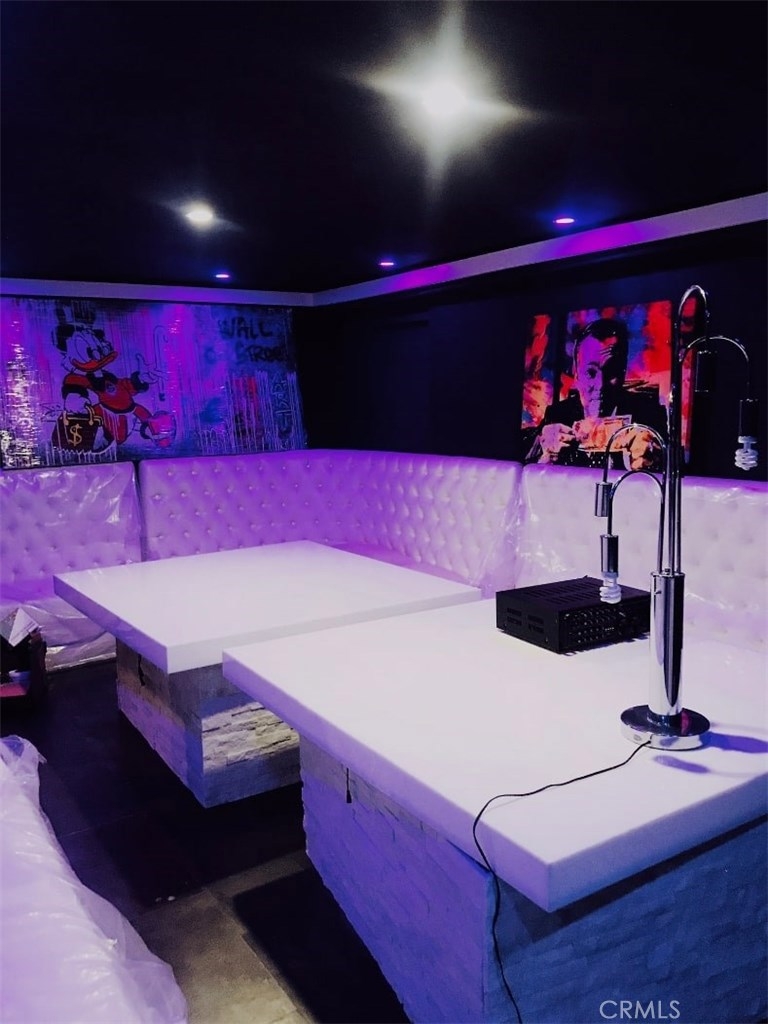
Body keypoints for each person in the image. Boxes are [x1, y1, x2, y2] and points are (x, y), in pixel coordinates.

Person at [526, 317, 668, 469]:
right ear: (576, 373)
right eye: (590, 372)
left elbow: (676, 470)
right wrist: (544, 460)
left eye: (611, 371)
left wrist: (654, 462)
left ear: (623, 371)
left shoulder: (649, 415)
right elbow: (525, 472)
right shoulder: (556, 415)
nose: (600, 385)